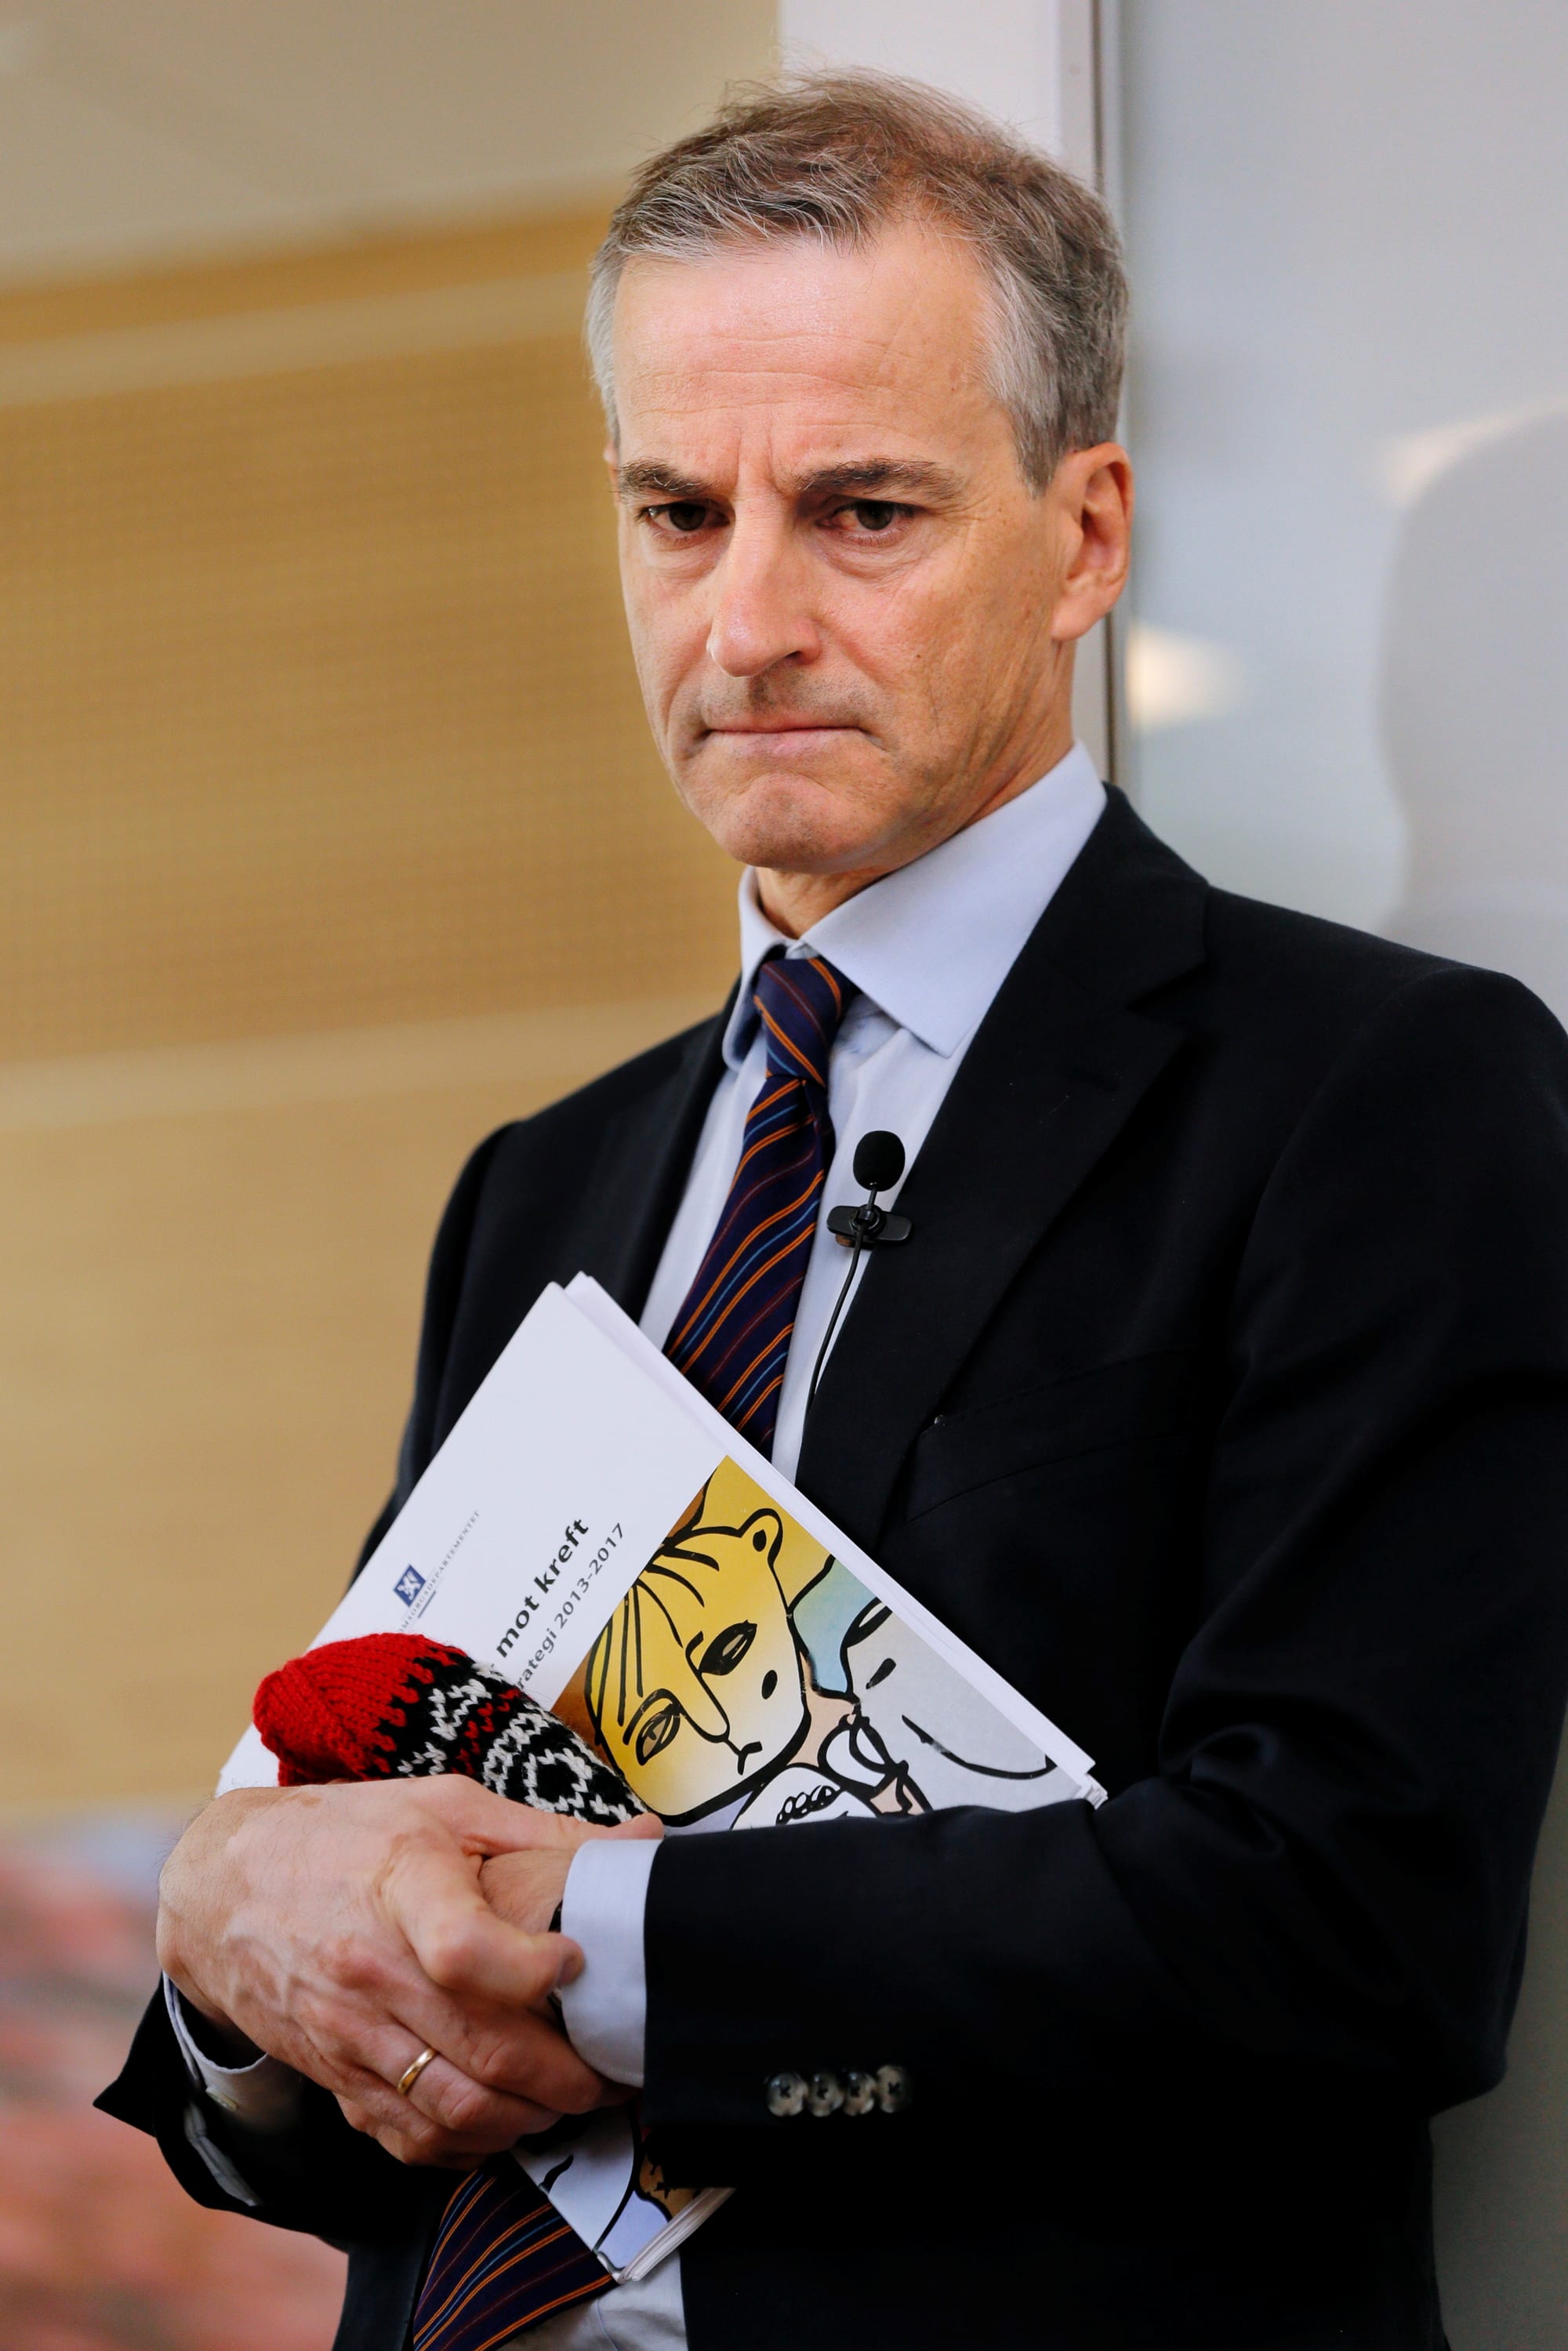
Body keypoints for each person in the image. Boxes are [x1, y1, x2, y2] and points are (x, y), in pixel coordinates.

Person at [100, 71, 1568, 2351]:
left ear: (1084, 540)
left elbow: (1352, 1923)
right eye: (677, 512)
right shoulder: (543, 1182)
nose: (750, 619)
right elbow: (352, 2022)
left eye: (861, 512)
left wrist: (589, 1937)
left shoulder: (1378, 1094)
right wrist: (235, 1959)